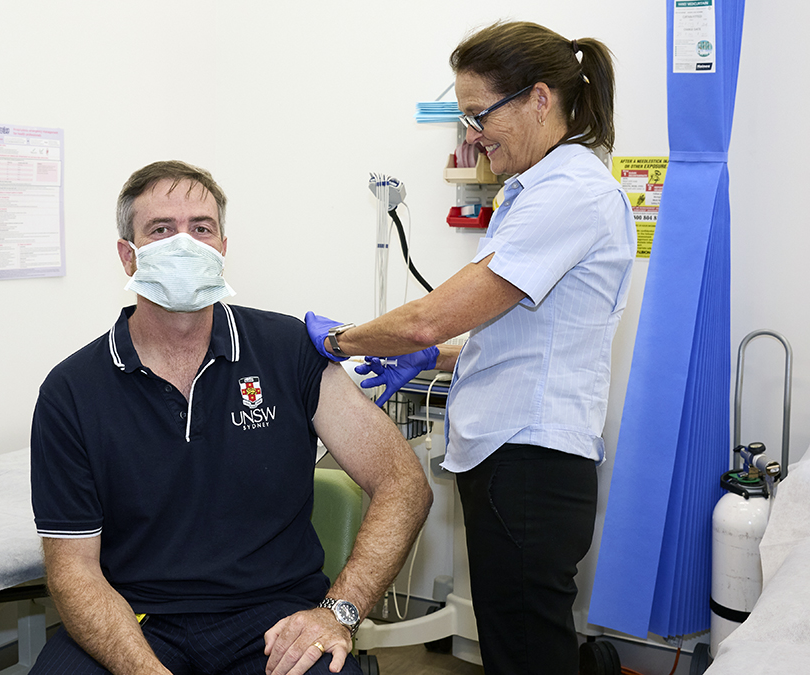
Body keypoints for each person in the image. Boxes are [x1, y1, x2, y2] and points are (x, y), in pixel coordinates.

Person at [305, 22, 634, 675]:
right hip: (515, 459)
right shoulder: (533, 193)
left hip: (530, 465)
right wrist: (434, 359)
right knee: (520, 643)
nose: (471, 135)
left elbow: (431, 316)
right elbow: (523, 337)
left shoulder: (568, 195)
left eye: (478, 114)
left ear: (540, 98)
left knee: (525, 653)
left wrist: (339, 340)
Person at [31, 160, 433, 675]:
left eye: (201, 229)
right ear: (128, 257)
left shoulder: (287, 351)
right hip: (135, 618)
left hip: (274, 619)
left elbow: (403, 482)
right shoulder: (72, 391)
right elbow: (73, 572)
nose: (185, 244)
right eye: (161, 230)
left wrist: (339, 613)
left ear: (222, 248)